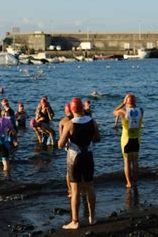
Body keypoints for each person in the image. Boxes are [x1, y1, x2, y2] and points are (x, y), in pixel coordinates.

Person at [58, 97, 100, 229]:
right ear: (82, 108)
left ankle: (75, 221)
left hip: (74, 158)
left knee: (75, 190)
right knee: (90, 186)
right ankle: (92, 217)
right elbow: (98, 138)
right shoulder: (92, 121)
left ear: (71, 110)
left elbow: (60, 145)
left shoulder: (69, 124)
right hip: (88, 156)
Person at [113, 94, 144, 188]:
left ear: (127, 102)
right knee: (135, 161)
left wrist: (122, 103)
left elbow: (114, 111)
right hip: (136, 139)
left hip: (126, 140)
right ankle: (135, 181)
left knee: (127, 162)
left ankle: (129, 183)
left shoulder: (123, 111)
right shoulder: (141, 110)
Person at [59, 103, 74, 197]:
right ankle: (83, 190)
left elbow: (61, 140)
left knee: (69, 172)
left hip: (70, 148)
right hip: (82, 147)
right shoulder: (79, 118)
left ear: (66, 111)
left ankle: (70, 191)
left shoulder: (62, 122)